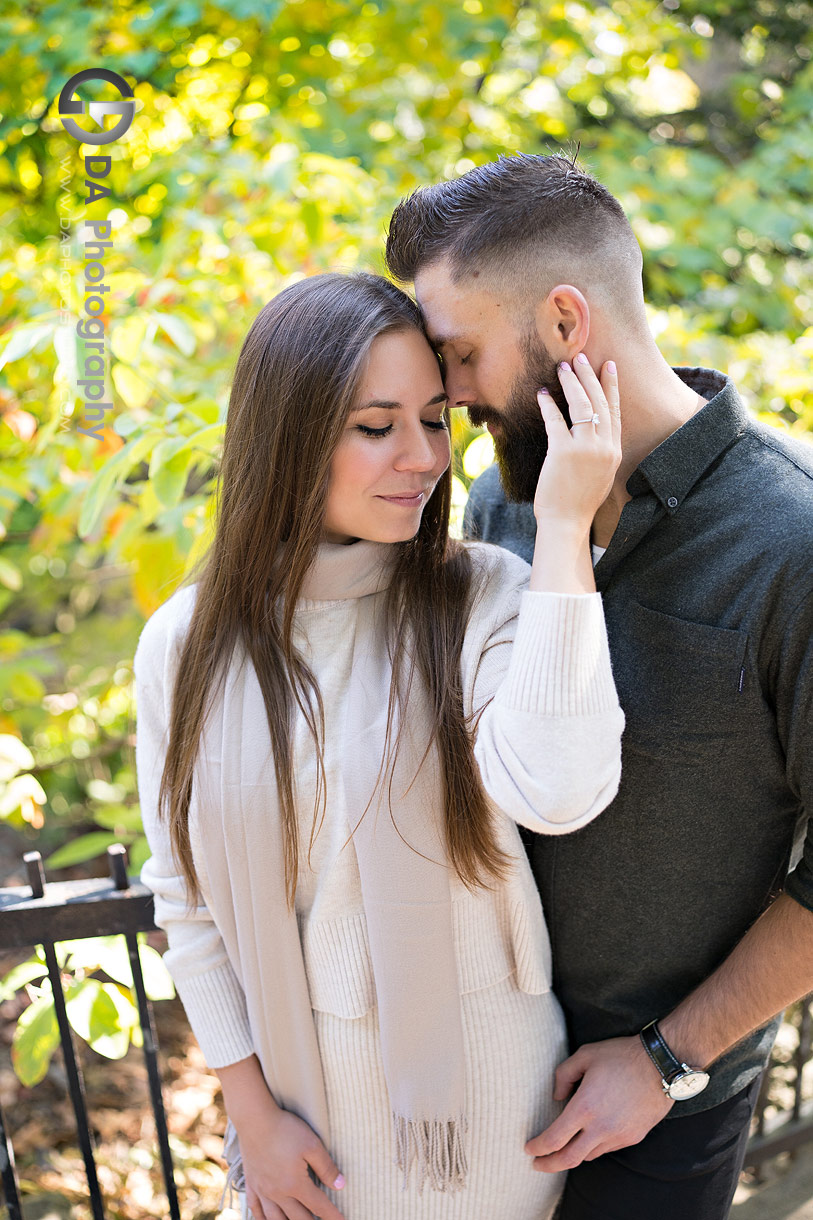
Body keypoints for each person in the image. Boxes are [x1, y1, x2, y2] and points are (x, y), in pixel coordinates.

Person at [134, 270, 626, 1220]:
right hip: (299, 1118)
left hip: (486, 1114)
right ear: (290, 435)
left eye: (436, 420)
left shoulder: (482, 594)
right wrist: (254, 1118)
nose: (421, 457)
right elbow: (187, 906)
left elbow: (562, 788)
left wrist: (562, 527)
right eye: (376, 426)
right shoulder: (188, 642)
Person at [384, 151, 813, 1220]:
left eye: (463, 353)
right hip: (464, 1063)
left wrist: (669, 1057)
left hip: (652, 1098)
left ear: (568, 324)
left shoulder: (795, 540)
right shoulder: (502, 500)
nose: (447, 391)